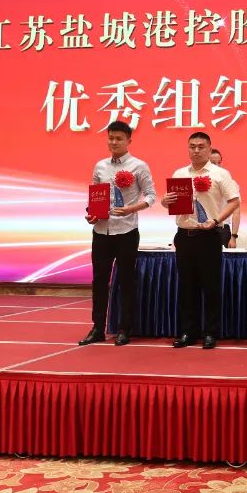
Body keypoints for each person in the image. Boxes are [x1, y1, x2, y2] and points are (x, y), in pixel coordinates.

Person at [79, 121, 156, 347]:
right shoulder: (100, 166)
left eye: (119, 139)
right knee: (99, 281)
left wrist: (132, 208)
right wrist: (92, 214)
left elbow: (151, 196)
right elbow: (95, 197)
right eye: (111, 138)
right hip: (101, 231)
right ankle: (97, 328)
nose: (114, 142)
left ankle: (124, 329)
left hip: (126, 231)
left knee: (126, 281)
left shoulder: (139, 166)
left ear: (128, 141)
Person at [162, 132, 240, 350]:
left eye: (201, 146)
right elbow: (171, 204)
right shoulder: (179, 173)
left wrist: (216, 220)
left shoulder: (220, 174)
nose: (196, 150)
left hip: (209, 236)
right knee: (187, 286)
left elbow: (234, 201)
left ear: (209, 148)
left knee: (210, 286)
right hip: (184, 235)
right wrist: (165, 201)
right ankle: (188, 332)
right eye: (192, 146)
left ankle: (211, 332)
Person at [209, 148, 239, 248]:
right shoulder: (198, 182)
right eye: (213, 163)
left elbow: (236, 211)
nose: (217, 166)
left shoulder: (230, 182)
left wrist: (234, 236)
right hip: (201, 228)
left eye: (219, 163)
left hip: (222, 228)